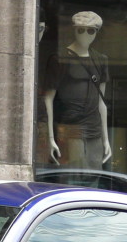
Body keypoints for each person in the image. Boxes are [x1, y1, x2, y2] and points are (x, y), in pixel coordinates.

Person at [41, 10, 112, 168]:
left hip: (94, 129)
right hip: (71, 128)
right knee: (73, 173)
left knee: (95, 174)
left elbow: (102, 102)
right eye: (80, 30)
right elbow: (48, 99)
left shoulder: (100, 60)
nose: (85, 35)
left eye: (90, 31)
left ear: (96, 33)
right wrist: (51, 137)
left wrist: (106, 139)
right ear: (74, 30)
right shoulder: (60, 59)